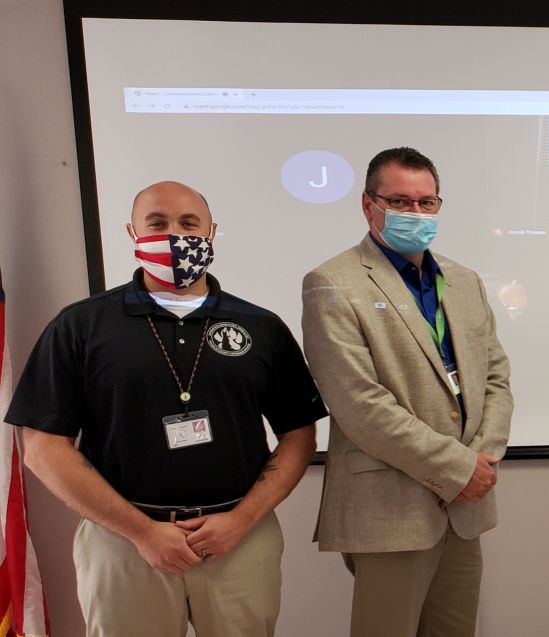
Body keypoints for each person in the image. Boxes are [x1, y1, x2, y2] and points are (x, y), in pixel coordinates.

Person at [5, 181, 323, 636]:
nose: (175, 234)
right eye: (158, 223)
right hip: (123, 543)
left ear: (212, 232)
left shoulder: (261, 326)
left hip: (239, 539)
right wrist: (141, 531)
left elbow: (299, 436)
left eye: (188, 223)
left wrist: (241, 520)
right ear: (132, 233)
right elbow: (41, 447)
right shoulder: (81, 325)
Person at [301, 147, 514, 636]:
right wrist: (458, 469)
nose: (414, 213)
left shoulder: (464, 282)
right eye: (399, 201)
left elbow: (497, 379)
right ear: (368, 204)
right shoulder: (332, 283)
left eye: (426, 202)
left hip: (466, 506)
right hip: (393, 506)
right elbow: (359, 405)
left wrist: (479, 461)